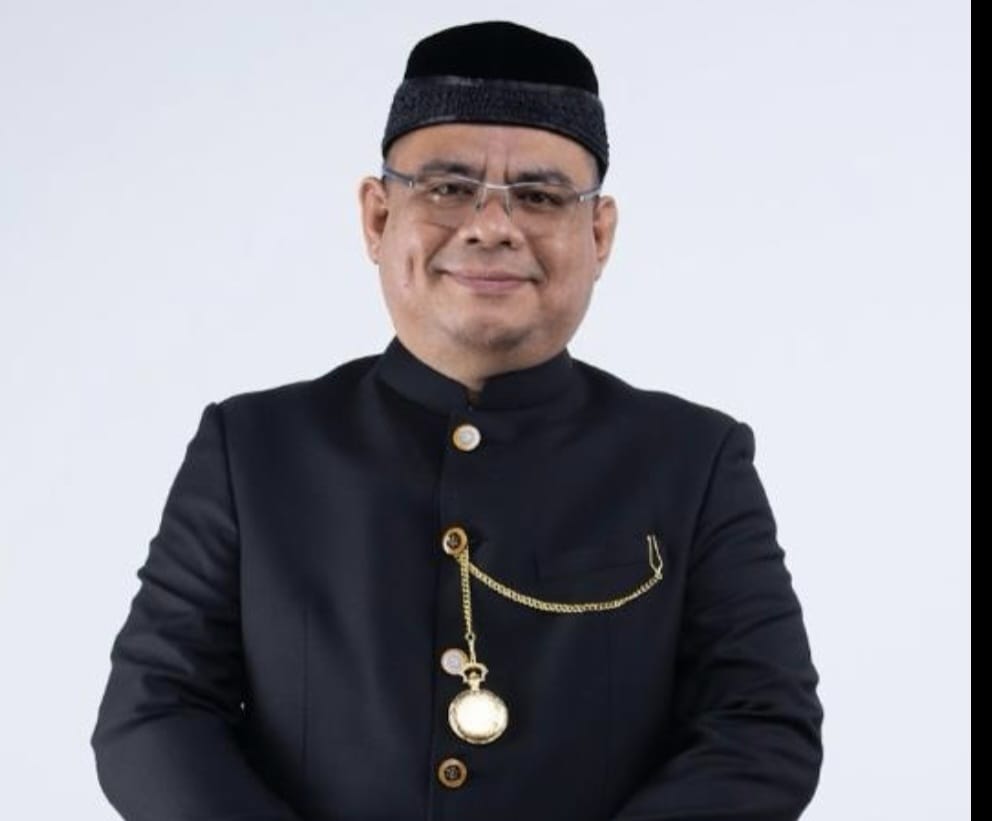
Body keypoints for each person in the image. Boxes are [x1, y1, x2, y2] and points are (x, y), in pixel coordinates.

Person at [91, 20, 824, 821]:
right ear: (378, 218)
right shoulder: (254, 448)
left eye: (539, 197)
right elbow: (154, 710)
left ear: (599, 234)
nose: (491, 225)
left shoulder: (693, 460)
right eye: (446, 188)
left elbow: (762, 725)